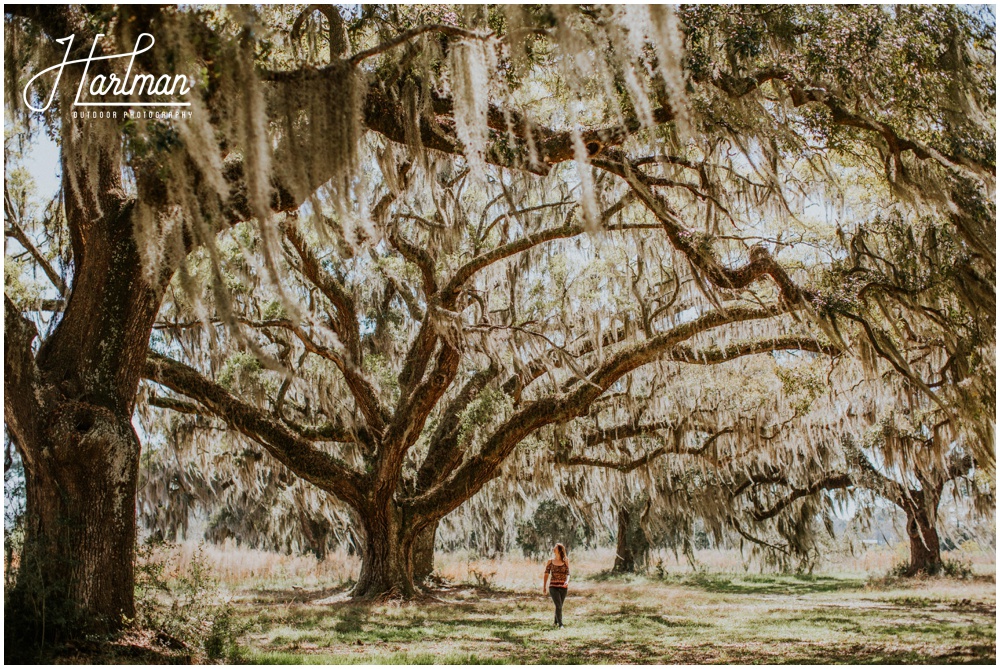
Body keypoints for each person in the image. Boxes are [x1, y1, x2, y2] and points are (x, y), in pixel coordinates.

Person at [543, 543, 570, 627]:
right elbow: (546, 573)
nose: (553, 548)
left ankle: (555, 622)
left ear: (559, 550)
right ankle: (560, 624)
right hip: (553, 586)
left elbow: (568, 573)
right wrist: (544, 586)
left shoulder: (565, 560)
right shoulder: (550, 561)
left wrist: (567, 581)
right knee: (558, 605)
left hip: (563, 587)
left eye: (555, 547)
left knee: (560, 605)